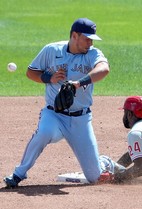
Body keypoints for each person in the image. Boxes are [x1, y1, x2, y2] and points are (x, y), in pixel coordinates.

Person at [3, 17, 113, 188]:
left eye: (92, 39)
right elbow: (31, 72)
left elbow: (104, 69)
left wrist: (78, 83)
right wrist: (49, 78)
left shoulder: (93, 54)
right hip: (54, 114)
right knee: (44, 132)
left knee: (94, 177)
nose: (90, 42)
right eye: (87, 38)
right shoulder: (51, 50)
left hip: (80, 120)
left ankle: (104, 162)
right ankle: (18, 174)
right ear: (75, 36)